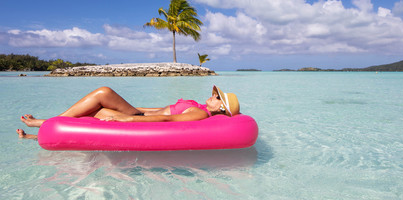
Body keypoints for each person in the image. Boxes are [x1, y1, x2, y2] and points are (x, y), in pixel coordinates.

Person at [16, 85, 240, 139]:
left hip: (140, 121)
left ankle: (41, 128)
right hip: (140, 114)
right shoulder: (199, 107)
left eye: (216, 97)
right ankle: (46, 124)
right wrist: (132, 108)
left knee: (101, 102)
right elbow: (158, 109)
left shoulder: (201, 115)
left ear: (221, 107)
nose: (212, 95)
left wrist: (127, 118)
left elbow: (167, 118)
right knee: (103, 98)